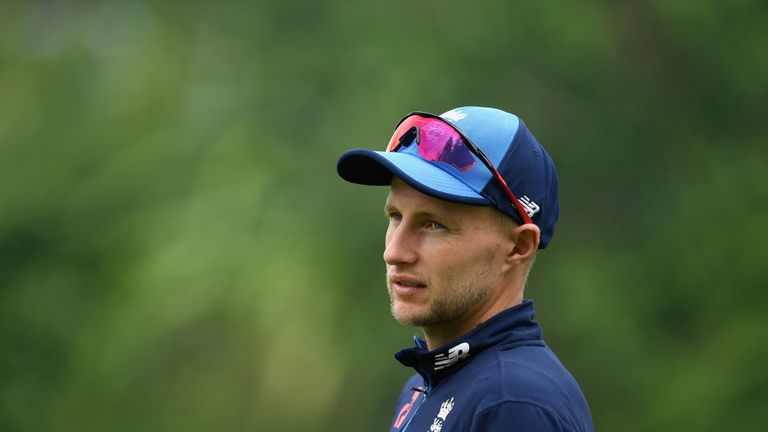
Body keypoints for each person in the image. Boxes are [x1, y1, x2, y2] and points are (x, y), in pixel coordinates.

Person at [336, 106, 594, 431]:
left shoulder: (513, 403)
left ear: (518, 247)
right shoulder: (423, 385)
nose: (394, 252)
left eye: (434, 225)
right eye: (396, 216)